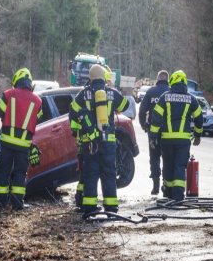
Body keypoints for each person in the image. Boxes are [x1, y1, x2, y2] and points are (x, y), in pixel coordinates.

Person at [69, 64, 129, 216]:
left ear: (90, 77)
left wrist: (76, 132)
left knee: (91, 174)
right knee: (109, 173)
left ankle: (90, 208)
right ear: (104, 77)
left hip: (90, 143)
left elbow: (73, 112)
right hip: (108, 142)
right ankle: (111, 207)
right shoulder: (111, 93)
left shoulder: (83, 94)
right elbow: (125, 105)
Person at [149, 70, 203, 202]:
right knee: (179, 166)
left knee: (168, 165)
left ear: (172, 82)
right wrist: (197, 135)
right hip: (183, 141)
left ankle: (167, 193)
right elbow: (199, 118)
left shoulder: (165, 97)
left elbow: (155, 118)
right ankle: (178, 196)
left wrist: (152, 137)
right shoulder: (192, 99)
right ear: (184, 82)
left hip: (166, 140)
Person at [0, 68, 43, 210]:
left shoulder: (9, 95)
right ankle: (17, 204)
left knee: (3, 173)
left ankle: (0, 204)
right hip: (24, 146)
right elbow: (37, 118)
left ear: (16, 81)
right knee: (20, 174)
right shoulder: (37, 101)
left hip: (7, 144)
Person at [138, 70, 170, 194]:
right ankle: (166, 185)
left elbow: (142, 111)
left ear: (157, 79)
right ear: (167, 80)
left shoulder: (151, 92)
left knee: (155, 157)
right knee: (167, 158)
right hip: (169, 132)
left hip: (153, 132)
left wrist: (143, 125)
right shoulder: (171, 92)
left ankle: (155, 185)